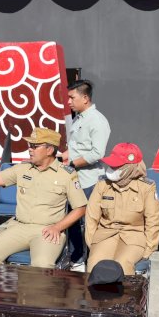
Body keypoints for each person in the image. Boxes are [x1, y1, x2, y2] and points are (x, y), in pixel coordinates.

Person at [0, 127, 88, 269]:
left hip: (47, 231)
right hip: (19, 227)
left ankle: (33, 291)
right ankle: (4, 290)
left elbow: (80, 208)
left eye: (35, 146)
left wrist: (57, 227)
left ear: (49, 150)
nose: (30, 149)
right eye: (30, 146)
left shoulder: (66, 174)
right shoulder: (23, 168)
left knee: (42, 265)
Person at [85, 143, 159, 275]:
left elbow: (153, 220)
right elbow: (91, 216)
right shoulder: (102, 184)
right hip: (105, 235)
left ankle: (125, 296)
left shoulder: (146, 188)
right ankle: (93, 296)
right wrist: (92, 242)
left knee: (122, 266)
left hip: (134, 236)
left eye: (116, 166)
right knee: (95, 264)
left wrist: (148, 249)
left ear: (130, 167)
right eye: (111, 165)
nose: (111, 168)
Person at [61, 80, 110, 271]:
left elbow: (97, 153)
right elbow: (77, 147)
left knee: (86, 223)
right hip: (75, 178)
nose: (69, 102)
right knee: (72, 220)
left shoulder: (97, 121)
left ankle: (87, 261)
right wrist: (64, 156)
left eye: (72, 97)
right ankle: (75, 258)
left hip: (88, 181)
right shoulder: (79, 118)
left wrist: (72, 162)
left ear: (85, 98)